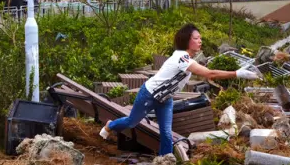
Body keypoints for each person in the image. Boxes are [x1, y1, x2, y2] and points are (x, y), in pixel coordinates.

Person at [99, 24, 260, 155]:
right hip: (149, 93)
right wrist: (237, 73)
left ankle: (165, 164)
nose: (200, 41)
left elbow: (208, 75)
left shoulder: (187, 59)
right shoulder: (181, 58)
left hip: (165, 99)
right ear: (186, 41)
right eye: (196, 38)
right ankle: (110, 126)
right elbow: (209, 73)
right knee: (132, 122)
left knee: (167, 133)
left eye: (200, 38)